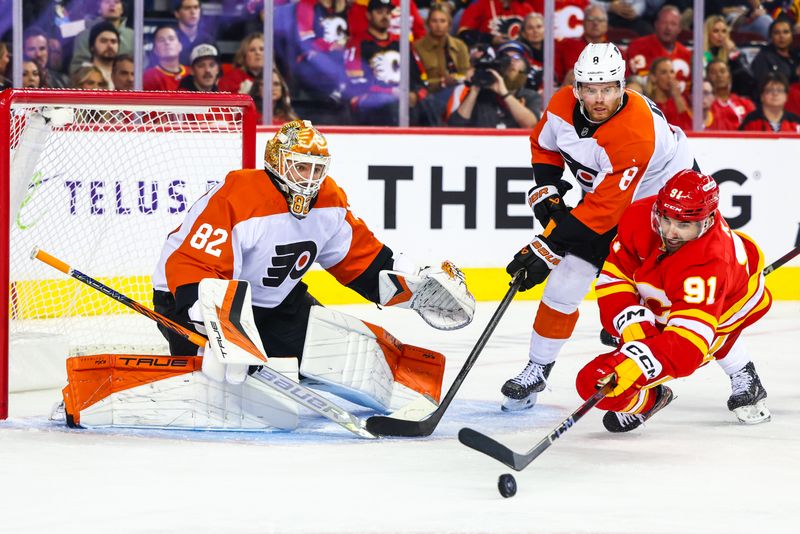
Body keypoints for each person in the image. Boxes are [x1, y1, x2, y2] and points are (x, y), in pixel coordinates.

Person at [150, 119, 474, 425]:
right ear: (277, 162)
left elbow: (361, 260)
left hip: (276, 305)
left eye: (317, 169)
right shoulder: (238, 193)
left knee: (335, 352)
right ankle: (193, 369)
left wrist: (416, 289)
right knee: (217, 379)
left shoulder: (329, 199)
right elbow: (192, 264)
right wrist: (219, 328)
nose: (309, 178)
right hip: (190, 300)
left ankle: (399, 382)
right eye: (301, 166)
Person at [499, 42, 695, 411]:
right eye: (590, 89)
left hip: (662, 209)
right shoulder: (560, 106)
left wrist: (547, 245)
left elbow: (602, 215)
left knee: (667, 300)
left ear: (623, 85)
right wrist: (547, 191)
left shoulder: (635, 132)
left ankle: (740, 372)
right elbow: (544, 146)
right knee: (565, 282)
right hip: (612, 198)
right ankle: (537, 369)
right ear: (577, 89)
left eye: (608, 88)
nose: (599, 98)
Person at [576, 170, 772, 432]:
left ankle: (741, 372)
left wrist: (638, 363)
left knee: (715, 335)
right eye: (666, 219)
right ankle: (652, 397)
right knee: (639, 333)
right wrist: (633, 328)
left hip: (731, 298)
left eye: (684, 225)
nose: (670, 232)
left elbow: (687, 346)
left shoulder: (709, 263)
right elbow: (616, 276)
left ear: (708, 220)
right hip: (671, 283)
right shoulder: (640, 215)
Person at [343, 0, 431, 126]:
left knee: (429, 103)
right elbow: (356, 83)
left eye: (388, 12)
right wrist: (392, 92)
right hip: (372, 101)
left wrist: (417, 95)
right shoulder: (357, 44)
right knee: (391, 104)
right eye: (379, 12)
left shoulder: (402, 44)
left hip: (404, 99)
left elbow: (421, 80)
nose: (385, 17)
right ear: (368, 15)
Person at [447, 41, 540, 128]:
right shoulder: (481, 95)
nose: (511, 62)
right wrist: (475, 89)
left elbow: (531, 125)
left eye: (516, 57)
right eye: (505, 57)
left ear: (526, 67)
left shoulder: (530, 96)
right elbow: (456, 126)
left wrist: (504, 93)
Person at [627, 5, 691, 91]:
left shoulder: (686, 54)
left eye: (673, 24)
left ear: (679, 29)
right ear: (656, 24)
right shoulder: (638, 46)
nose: (668, 28)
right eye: (664, 23)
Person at [69, 0, 134, 76]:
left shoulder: (133, 36)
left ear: (122, 9)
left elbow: (142, 66)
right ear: (99, 8)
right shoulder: (84, 36)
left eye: (116, 2)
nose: (112, 5)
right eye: (107, 1)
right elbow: (77, 68)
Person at [554, 5, 610, 85]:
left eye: (600, 20)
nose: (595, 23)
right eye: (590, 19)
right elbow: (554, 80)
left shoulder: (616, 51)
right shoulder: (566, 46)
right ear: (583, 23)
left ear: (606, 25)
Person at [703, 14, 755, 98]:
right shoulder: (704, 54)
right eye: (716, 31)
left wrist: (734, 53)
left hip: (732, 97)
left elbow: (749, 79)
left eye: (724, 31)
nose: (720, 35)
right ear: (707, 34)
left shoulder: (733, 54)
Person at [750, 16, 799, 96]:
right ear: (771, 36)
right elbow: (764, 86)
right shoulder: (763, 58)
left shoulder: (796, 57)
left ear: (792, 35)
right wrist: (795, 74)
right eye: (776, 33)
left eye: (786, 32)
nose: (781, 36)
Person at [707, 59, 756, 129]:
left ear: (729, 76)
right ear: (708, 78)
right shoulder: (705, 105)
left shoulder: (745, 103)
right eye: (713, 72)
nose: (719, 75)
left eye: (722, 71)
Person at [646, 57, 691, 130]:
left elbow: (688, 126)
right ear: (653, 77)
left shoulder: (680, 101)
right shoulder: (648, 104)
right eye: (664, 72)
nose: (669, 76)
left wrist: (677, 96)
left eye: (672, 72)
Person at [143, 25, 187, 91]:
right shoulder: (148, 77)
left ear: (180, 46)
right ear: (155, 49)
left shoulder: (192, 73)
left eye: (171, 39)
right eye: (161, 40)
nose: (167, 42)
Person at [76, 21, 119, 88]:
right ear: (92, 47)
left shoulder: (122, 74)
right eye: (103, 41)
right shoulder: (83, 75)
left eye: (113, 42)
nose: (110, 46)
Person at [173, 0, 217, 66]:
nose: (193, 12)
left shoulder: (208, 40)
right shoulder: (170, 40)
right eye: (187, 8)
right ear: (177, 14)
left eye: (196, 7)